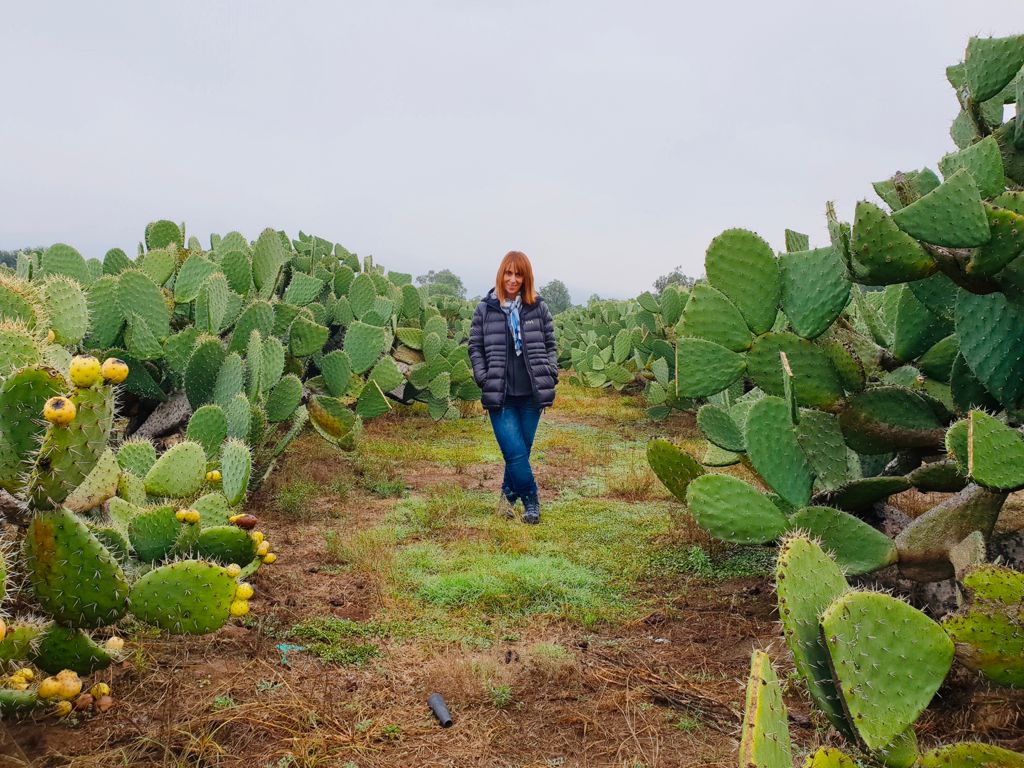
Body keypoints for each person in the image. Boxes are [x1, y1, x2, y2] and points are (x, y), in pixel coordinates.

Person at [468, 251, 558, 524]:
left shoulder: (537, 308)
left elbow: (551, 344)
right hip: (501, 394)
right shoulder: (486, 308)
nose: (513, 279)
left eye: (518, 274)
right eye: (508, 273)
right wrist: (483, 378)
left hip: (532, 394)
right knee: (514, 451)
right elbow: (475, 346)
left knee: (522, 450)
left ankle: (506, 498)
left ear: (526, 277)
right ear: (500, 274)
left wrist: (550, 373)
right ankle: (531, 500)